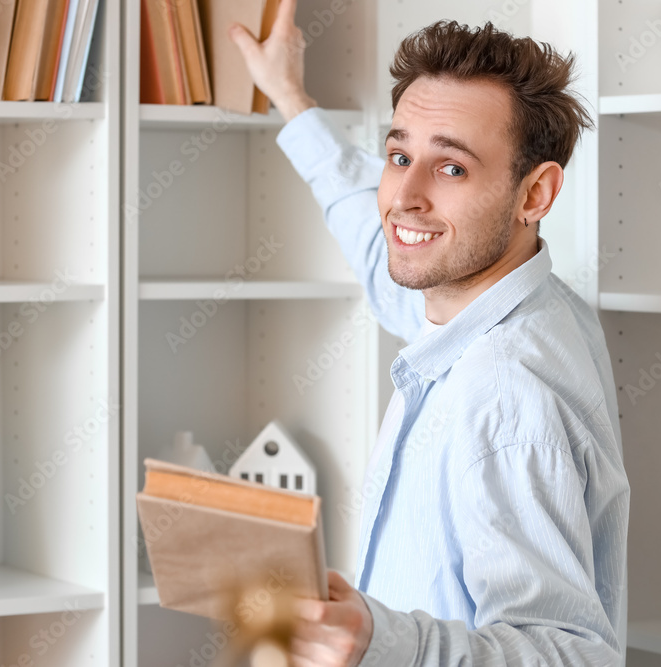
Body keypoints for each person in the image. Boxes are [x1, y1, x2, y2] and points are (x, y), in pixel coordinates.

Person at [231, 2, 629, 665]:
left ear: (535, 194)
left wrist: (381, 642)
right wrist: (290, 96)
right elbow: (374, 236)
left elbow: (573, 655)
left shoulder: (504, 389)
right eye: (397, 155)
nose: (403, 196)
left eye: (451, 168)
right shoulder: (496, 301)